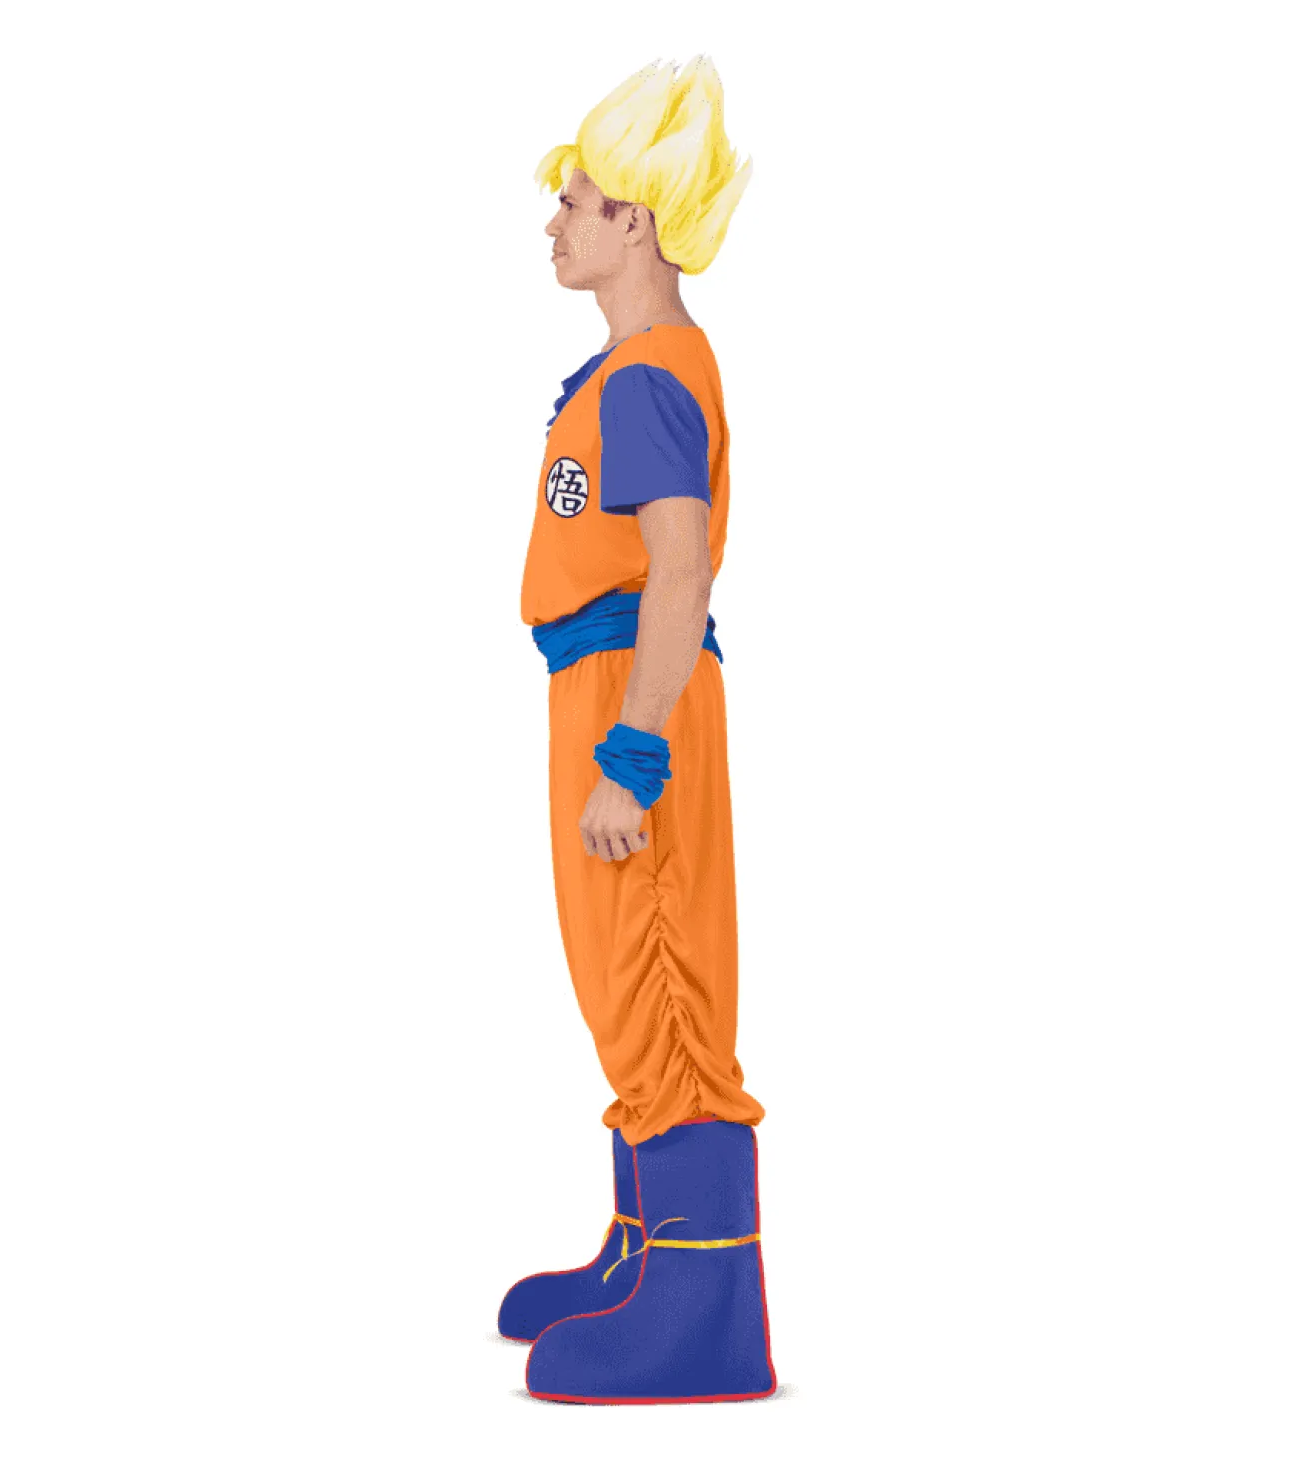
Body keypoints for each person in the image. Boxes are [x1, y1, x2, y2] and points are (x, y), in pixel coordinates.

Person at [497, 56, 777, 1404]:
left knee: (659, 965)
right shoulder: (620, 374)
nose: (554, 221)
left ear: (637, 223)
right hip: (593, 681)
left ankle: (706, 1301)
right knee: (616, 969)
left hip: (631, 690)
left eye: (576, 201)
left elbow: (680, 568)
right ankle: (647, 1249)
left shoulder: (653, 380)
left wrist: (634, 750)